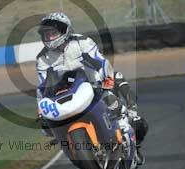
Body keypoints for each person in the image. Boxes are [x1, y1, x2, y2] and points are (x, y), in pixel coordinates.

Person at [35, 12, 148, 146]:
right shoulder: (42, 58)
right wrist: (41, 111)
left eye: (52, 33)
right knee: (46, 128)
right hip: (67, 93)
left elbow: (101, 63)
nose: (49, 37)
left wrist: (107, 82)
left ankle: (129, 114)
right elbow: (42, 87)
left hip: (94, 85)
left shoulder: (82, 42)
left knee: (116, 90)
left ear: (64, 30)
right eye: (46, 34)